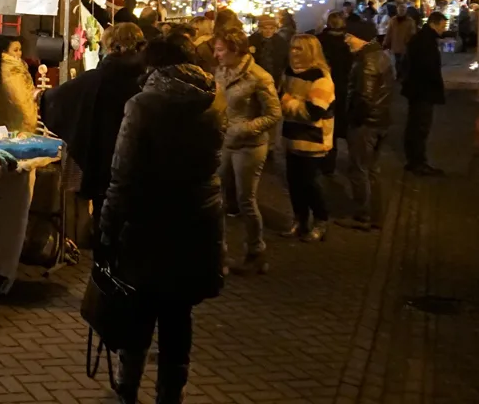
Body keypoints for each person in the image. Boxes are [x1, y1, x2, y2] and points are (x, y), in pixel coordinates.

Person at [99, 34, 226, 404]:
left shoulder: (143, 104)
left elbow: (122, 175)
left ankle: (128, 386)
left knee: (138, 310)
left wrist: (106, 227)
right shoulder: (213, 100)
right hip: (197, 222)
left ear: (152, 64)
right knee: (178, 314)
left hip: (148, 222)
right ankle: (171, 394)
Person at [39, 23, 146, 224]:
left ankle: (103, 253)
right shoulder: (148, 77)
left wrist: (41, 97)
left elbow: (57, 100)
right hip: (141, 161)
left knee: (104, 216)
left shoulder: (96, 78)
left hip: (103, 161)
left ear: (111, 46)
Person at [214, 28, 281, 274]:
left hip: (249, 147)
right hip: (223, 143)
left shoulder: (259, 76)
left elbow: (274, 114)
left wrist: (244, 128)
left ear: (235, 50)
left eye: (220, 50)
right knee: (217, 199)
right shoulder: (220, 71)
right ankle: (218, 253)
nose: (216, 54)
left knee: (246, 200)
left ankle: (256, 250)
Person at [280, 34, 335, 242]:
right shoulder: (287, 73)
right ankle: (300, 220)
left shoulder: (321, 78)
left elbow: (313, 112)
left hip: (313, 138)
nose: (293, 53)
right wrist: (292, 101)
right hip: (292, 135)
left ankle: (321, 220)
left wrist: (288, 101)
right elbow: (279, 97)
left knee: (310, 183)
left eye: (299, 49)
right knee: (294, 182)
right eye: (292, 48)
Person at [340, 32, 393, 230]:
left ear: (360, 37)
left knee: (359, 169)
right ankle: (376, 215)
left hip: (365, 125)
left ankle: (363, 215)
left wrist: (353, 120)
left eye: (349, 37)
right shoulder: (381, 56)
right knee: (372, 169)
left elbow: (364, 96)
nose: (346, 41)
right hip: (380, 121)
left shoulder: (366, 60)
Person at [401, 12, 448, 176]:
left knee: (414, 125)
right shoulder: (426, 42)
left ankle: (413, 160)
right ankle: (418, 162)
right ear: (434, 24)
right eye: (442, 26)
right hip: (423, 92)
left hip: (417, 90)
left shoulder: (422, 38)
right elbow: (428, 69)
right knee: (420, 127)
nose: (443, 30)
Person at [319, 12, 353, 174]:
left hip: (321, 88)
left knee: (324, 125)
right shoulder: (348, 42)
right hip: (342, 89)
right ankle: (334, 163)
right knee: (337, 125)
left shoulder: (320, 40)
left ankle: (325, 162)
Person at [0, 36, 38, 133]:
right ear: (5, 51)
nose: (19, 53)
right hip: (18, 123)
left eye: (20, 50)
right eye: (15, 50)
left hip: (3, 120)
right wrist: (30, 120)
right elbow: (19, 98)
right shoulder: (12, 68)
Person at [384, 3, 419, 78]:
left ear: (406, 10)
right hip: (395, 45)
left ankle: (403, 75)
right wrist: (386, 42)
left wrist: (409, 41)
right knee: (397, 61)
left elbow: (413, 33)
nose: (401, 11)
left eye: (403, 9)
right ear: (397, 10)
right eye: (400, 9)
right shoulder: (393, 20)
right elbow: (389, 32)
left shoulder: (410, 21)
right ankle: (399, 74)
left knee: (403, 61)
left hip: (405, 45)